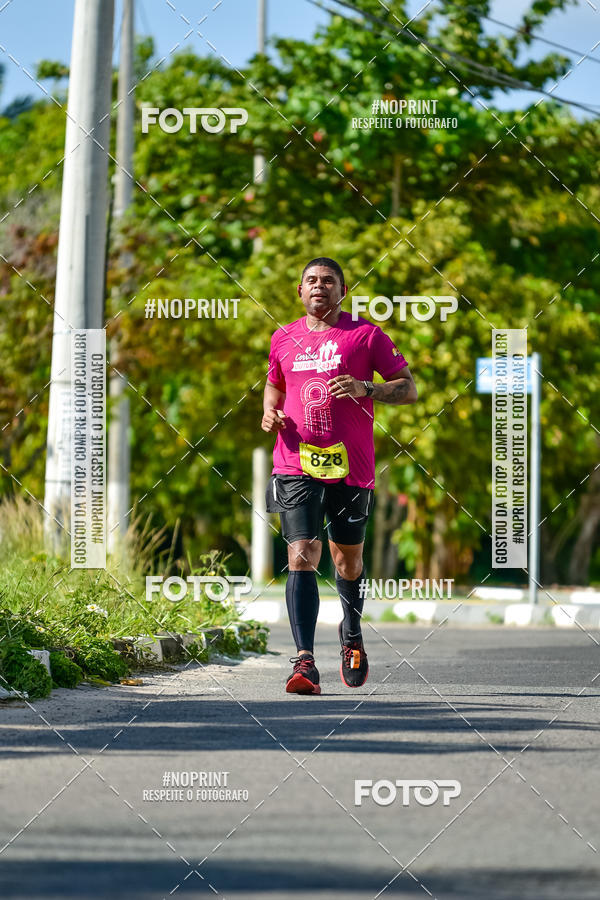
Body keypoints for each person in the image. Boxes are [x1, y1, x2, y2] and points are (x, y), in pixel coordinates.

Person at [261, 257, 417, 695]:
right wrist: (269, 413)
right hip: (294, 461)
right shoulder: (282, 338)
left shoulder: (366, 335)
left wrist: (369, 388)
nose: (319, 287)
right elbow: (275, 384)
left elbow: (408, 388)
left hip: (351, 465)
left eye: (328, 281)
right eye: (311, 280)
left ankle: (351, 634)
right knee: (301, 553)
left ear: (342, 291)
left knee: (346, 559)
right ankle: (305, 661)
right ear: (300, 290)